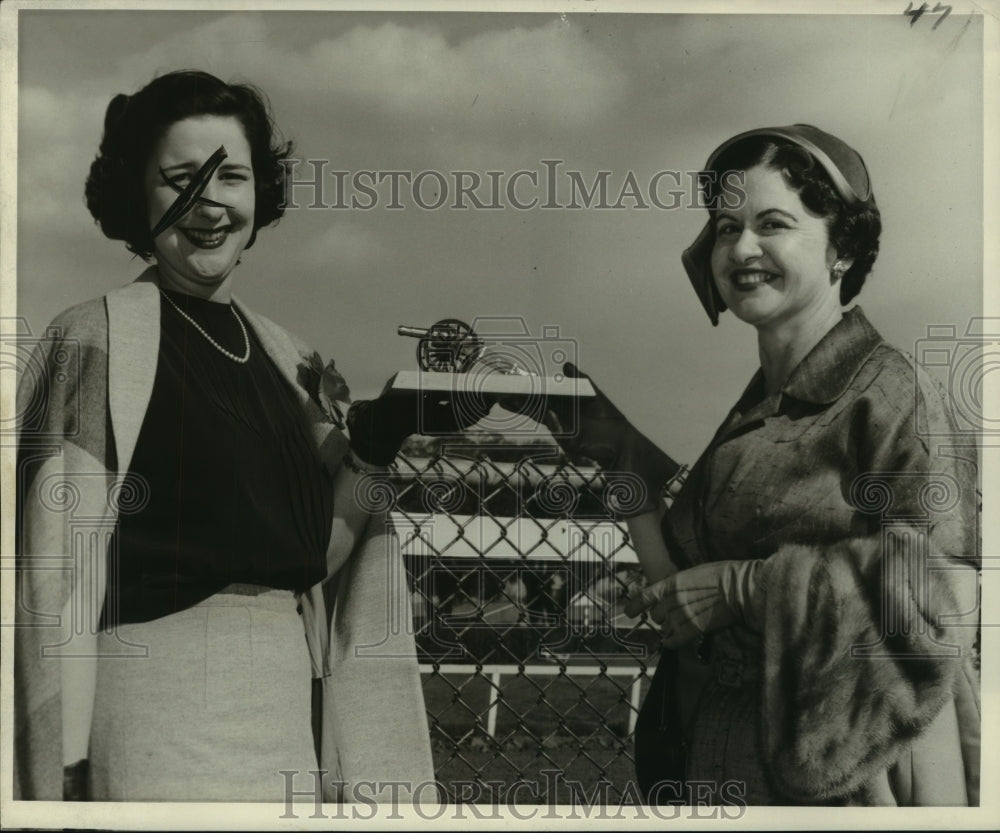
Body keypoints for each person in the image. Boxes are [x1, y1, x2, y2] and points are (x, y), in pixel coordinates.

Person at [14, 69, 464, 802]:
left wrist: (382, 441)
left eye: (232, 177)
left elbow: (315, 556)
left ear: (261, 194)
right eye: (181, 179)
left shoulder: (290, 358)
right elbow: (54, 579)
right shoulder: (94, 337)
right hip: (152, 714)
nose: (209, 204)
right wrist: (64, 774)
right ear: (138, 193)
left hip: (285, 721)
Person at [548, 124, 980, 805]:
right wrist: (615, 451)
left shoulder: (896, 394)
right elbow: (681, 604)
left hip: (848, 779)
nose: (740, 247)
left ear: (842, 247)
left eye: (771, 224)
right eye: (725, 227)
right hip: (716, 761)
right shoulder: (755, 416)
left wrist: (744, 588)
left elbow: (941, 607)